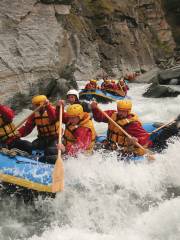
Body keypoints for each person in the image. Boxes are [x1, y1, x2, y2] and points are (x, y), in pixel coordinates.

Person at [18, 95, 59, 164]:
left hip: (54, 138)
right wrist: (17, 134)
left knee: (50, 151)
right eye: (34, 105)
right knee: (31, 146)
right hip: (42, 138)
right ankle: (31, 160)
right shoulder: (34, 114)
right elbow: (27, 128)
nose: (35, 107)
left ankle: (48, 161)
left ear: (42, 104)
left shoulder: (52, 110)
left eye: (37, 105)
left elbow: (53, 119)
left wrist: (48, 106)